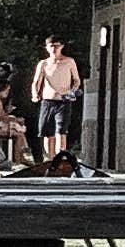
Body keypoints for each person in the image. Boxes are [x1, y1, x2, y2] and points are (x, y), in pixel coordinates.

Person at [30, 33, 83, 173]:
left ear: (62, 47)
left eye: (57, 46)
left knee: (61, 130)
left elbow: (76, 80)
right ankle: (50, 159)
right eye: (51, 46)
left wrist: (72, 91)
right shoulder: (44, 63)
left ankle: (62, 159)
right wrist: (35, 94)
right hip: (48, 100)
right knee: (48, 133)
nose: (54, 49)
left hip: (63, 100)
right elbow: (36, 81)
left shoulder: (69, 61)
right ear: (47, 48)